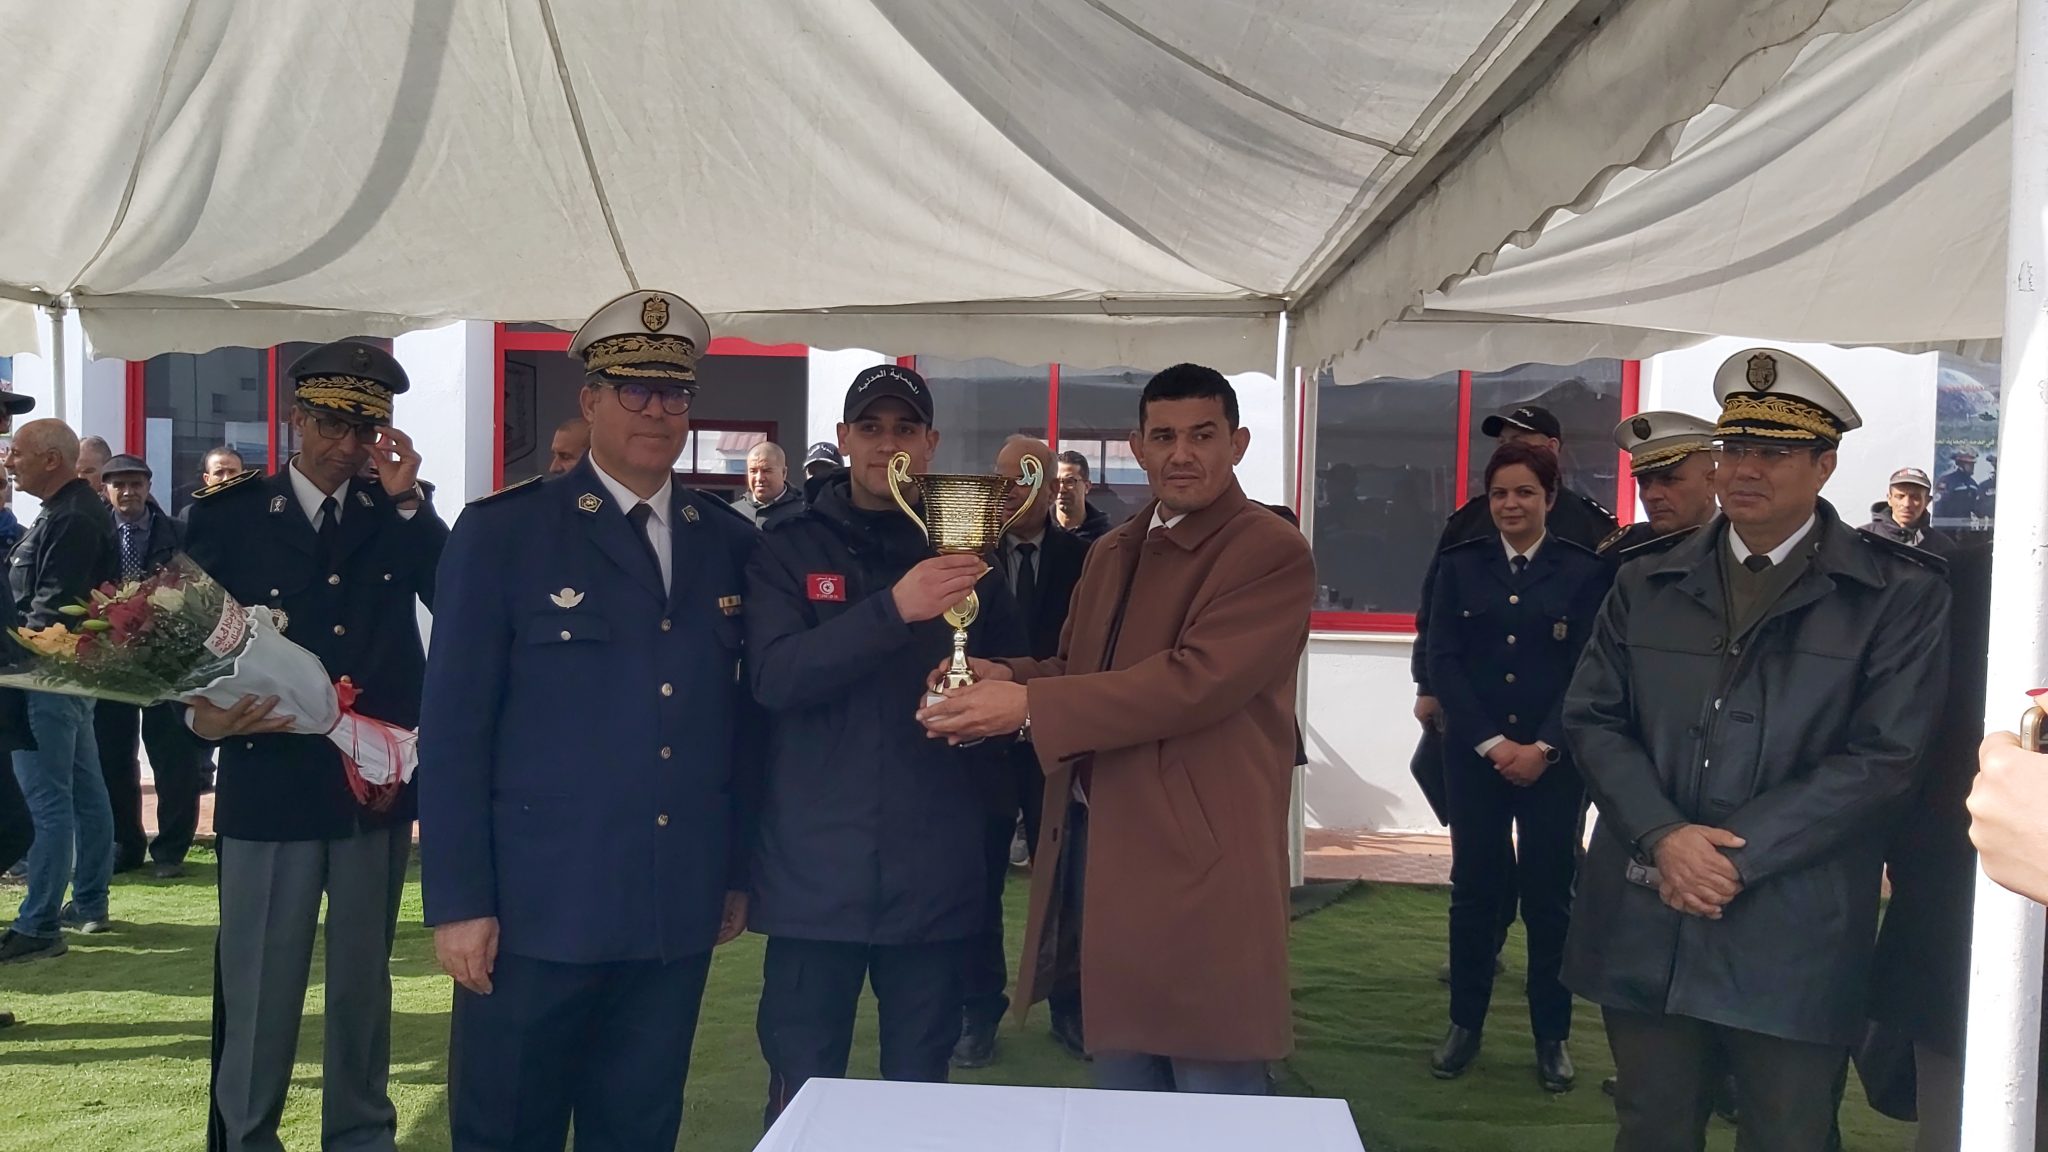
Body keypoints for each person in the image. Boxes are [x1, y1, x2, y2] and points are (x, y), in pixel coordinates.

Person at [1563, 347, 1951, 1151]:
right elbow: (1593, 718)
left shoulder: (1898, 594)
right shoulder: (1645, 580)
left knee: (1789, 1132)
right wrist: (1665, 837)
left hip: (1794, 927)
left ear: (1824, 465)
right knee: (1652, 1126)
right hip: (1649, 908)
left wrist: (1733, 859)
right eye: (1735, 448)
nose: (1745, 469)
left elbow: (1887, 757)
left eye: (1773, 453)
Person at [419, 290, 758, 1152]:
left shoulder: (726, 540)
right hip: (536, 911)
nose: (656, 410)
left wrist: (734, 870)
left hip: (670, 904)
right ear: (592, 400)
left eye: (673, 393)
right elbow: (453, 731)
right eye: (634, 390)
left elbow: (738, 725)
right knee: (507, 1130)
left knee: (639, 1129)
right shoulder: (504, 534)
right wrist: (458, 902)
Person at [918, 363, 1314, 1095]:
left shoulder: (1268, 549)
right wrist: (1004, 674)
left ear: (1238, 444)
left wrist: (1029, 708)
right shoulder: (1113, 549)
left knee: (1213, 1092)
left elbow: (1193, 682)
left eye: (1203, 435)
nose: (1181, 454)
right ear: (1137, 447)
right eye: (1164, 436)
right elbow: (1078, 667)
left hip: (1205, 855)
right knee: (1125, 1090)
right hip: (1106, 845)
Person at [182, 340, 447, 1152]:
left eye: (365, 429)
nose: (347, 445)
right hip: (269, 775)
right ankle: (247, 1136)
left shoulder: (398, 510)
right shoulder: (230, 515)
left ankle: (360, 1135)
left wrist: (411, 506)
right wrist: (199, 720)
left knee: (363, 981)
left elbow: (458, 598)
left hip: (369, 782)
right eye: (332, 424)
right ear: (296, 419)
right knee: (260, 982)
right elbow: (181, 638)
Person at [744, 363, 1026, 1123]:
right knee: (803, 1090)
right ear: (843, 438)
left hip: (932, 864)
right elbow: (774, 677)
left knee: (918, 1091)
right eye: (870, 428)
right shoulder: (786, 546)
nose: (887, 445)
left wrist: (986, 686)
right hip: (815, 870)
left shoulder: (968, 548)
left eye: (905, 429)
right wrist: (892, 609)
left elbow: (1011, 674)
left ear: (930, 443)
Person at [1426, 442, 1614, 1092]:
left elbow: (1590, 668)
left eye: (1525, 492)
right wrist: (1490, 744)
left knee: (1549, 895)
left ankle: (1551, 1036)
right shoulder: (1459, 567)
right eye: (1500, 493)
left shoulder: (1584, 572)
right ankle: (1464, 1024)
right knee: (1475, 891)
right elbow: (1443, 659)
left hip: (1552, 764)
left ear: (1549, 499)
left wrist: (1543, 747)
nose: (1511, 504)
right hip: (1475, 759)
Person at [954, 434, 1088, 1070]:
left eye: (1023, 478)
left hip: (1057, 744)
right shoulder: (962, 553)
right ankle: (977, 1010)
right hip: (982, 750)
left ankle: (1071, 1005)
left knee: (1065, 880)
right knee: (977, 880)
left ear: (1049, 484)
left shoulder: (1086, 558)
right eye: (1000, 478)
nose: (1009, 491)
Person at [0, 418, 118, 964]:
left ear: (51, 460)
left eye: (17, 453)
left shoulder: (71, 516)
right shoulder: (68, 510)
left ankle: (39, 922)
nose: (9, 462)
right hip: (64, 675)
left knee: (47, 800)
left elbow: (52, 605)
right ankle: (88, 901)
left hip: (43, 673)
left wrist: (13, 653)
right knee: (84, 792)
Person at [92, 455, 208, 880]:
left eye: (136, 484)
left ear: (148, 486)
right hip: (110, 659)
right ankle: (125, 845)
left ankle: (171, 851)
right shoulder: (94, 535)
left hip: (166, 660)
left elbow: (200, 589)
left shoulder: (178, 533)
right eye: (119, 485)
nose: (128, 492)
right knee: (113, 757)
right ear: (105, 489)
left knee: (174, 756)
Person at [1604, 411, 1719, 554]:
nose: (1651, 495)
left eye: (1669, 480)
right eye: (1644, 483)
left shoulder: (1741, 542)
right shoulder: (1623, 550)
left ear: (1711, 483)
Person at [1863, 467, 1954, 554]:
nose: (1906, 504)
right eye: (1900, 496)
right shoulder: (1864, 538)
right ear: (1889, 499)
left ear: (1927, 501)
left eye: (1915, 498)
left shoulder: (1943, 546)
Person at [731, 441, 804, 528]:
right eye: (753, 471)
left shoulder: (804, 513)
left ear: (784, 473)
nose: (759, 478)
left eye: (766, 471)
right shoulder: (733, 514)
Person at [1053, 450, 1112, 543]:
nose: (1061, 489)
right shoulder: (1039, 530)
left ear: (1087, 486)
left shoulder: (1105, 537)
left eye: (1069, 482)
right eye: (1056, 482)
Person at [1933, 449, 1982, 524]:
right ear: (1961, 464)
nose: (1972, 467)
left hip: (1966, 527)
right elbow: (1938, 507)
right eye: (1969, 464)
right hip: (1948, 527)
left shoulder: (1973, 484)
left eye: (1973, 464)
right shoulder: (1947, 481)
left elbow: (1976, 507)